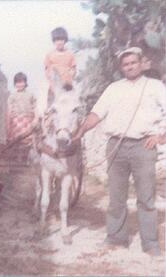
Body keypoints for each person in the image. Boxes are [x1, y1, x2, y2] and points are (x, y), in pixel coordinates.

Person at [74, 47, 166, 256]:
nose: (130, 66)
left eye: (133, 62)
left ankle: (150, 243)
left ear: (141, 63)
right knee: (116, 197)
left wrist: (161, 137)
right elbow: (96, 113)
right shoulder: (113, 88)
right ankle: (116, 239)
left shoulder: (155, 86)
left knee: (146, 198)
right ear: (121, 68)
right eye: (125, 64)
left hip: (144, 147)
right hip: (116, 146)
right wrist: (80, 132)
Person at [6, 72, 36, 163]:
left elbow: (35, 107)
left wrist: (35, 119)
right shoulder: (12, 96)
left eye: (22, 82)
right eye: (18, 82)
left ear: (25, 83)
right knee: (17, 140)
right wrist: (8, 123)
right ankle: (18, 157)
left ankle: (27, 157)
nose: (20, 84)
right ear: (15, 84)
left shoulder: (31, 95)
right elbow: (9, 109)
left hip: (27, 119)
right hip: (16, 120)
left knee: (28, 139)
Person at [44, 27, 77, 106]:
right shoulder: (50, 54)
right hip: (54, 85)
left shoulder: (70, 54)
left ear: (65, 41)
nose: (59, 42)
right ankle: (47, 114)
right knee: (52, 106)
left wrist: (71, 75)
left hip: (67, 85)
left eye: (61, 40)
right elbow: (47, 70)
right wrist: (51, 83)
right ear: (54, 41)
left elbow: (73, 68)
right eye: (57, 40)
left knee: (71, 105)